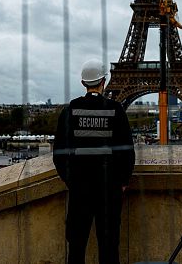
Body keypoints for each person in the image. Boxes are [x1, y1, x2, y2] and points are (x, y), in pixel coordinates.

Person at [53, 58, 135, 264]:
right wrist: (122, 181)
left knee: (77, 246)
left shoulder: (70, 111)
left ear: (83, 83)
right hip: (109, 188)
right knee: (108, 247)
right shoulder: (116, 110)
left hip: (80, 188)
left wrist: (71, 180)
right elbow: (127, 150)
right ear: (103, 82)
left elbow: (59, 153)